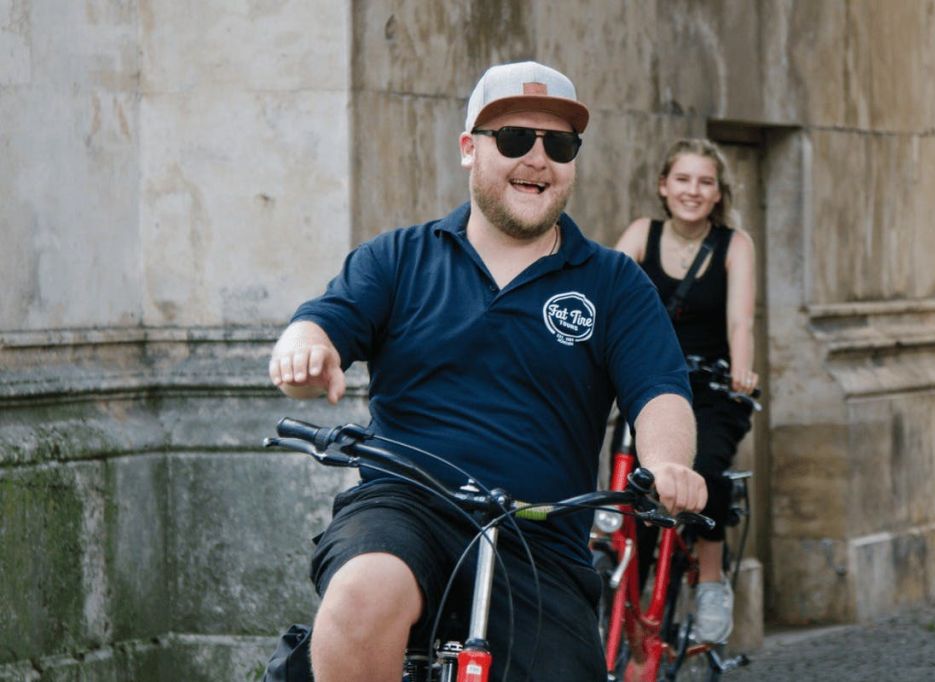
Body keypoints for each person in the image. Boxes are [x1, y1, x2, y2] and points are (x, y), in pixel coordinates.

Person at [266, 61, 708, 682]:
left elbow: (660, 392)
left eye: (558, 144)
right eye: (514, 139)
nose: (538, 158)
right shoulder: (399, 258)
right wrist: (303, 350)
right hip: (404, 508)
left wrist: (667, 465)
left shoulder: (613, 282)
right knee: (362, 595)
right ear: (470, 149)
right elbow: (321, 324)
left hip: (540, 540)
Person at [614, 138, 758, 645]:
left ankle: (713, 582)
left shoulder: (733, 246)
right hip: (646, 384)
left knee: (709, 471)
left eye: (705, 182)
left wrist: (741, 370)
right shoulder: (640, 235)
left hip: (711, 386)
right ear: (663, 186)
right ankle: (628, 615)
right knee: (634, 488)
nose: (692, 191)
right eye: (682, 180)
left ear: (718, 194)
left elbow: (740, 322)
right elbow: (606, 296)